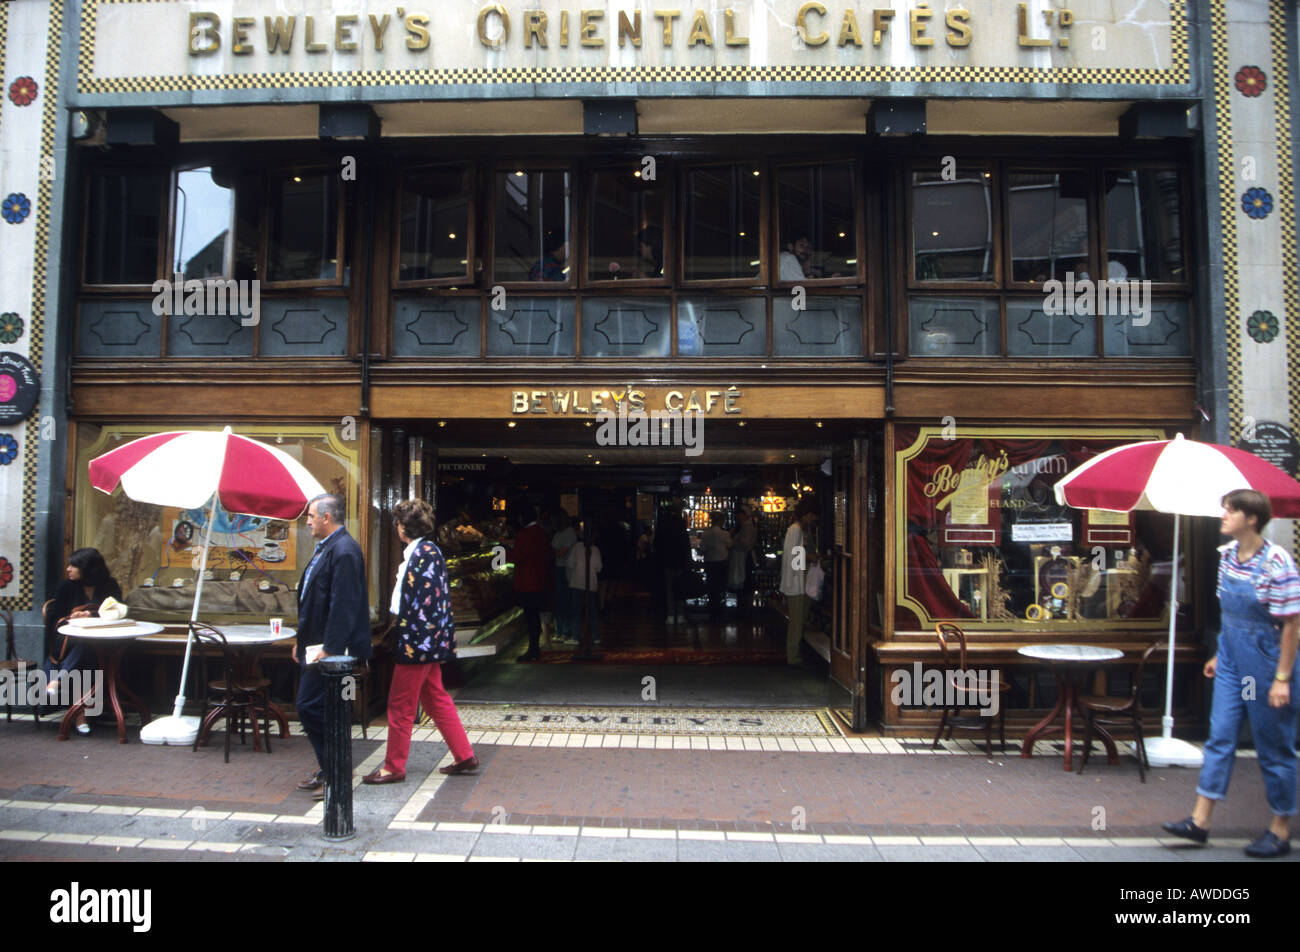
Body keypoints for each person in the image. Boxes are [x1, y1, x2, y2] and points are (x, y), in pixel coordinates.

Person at [1163, 489, 1300, 858]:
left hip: (1263, 665)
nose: (1223, 516)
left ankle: (1280, 828)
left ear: (1251, 519)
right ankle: (1200, 821)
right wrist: (1221, 653)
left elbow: (1291, 625)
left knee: (1272, 743)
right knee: (1220, 736)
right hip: (1233, 662)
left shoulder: (1277, 562)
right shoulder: (1227, 559)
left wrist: (1283, 678)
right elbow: (1231, 616)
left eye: (1230, 511)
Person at [364, 499, 476, 784]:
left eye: (397, 523)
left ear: (402, 528)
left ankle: (393, 767)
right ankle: (464, 754)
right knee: (436, 698)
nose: (397, 527)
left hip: (416, 645)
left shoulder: (418, 554)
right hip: (430, 643)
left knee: (400, 706)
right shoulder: (431, 551)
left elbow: (404, 605)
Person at [293, 493, 371, 800]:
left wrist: (331, 649)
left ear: (327, 518)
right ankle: (331, 770)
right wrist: (301, 642)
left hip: (333, 652)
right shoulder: (327, 548)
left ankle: (337, 772)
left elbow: (344, 605)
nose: (308, 522)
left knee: (310, 707)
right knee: (322, 708)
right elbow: (313, 600)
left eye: (311, 516)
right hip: (316, 646)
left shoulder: (345, 551)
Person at [42, 548, 122, 735]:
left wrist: (92, 614)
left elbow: (118, 610)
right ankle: (80, 716)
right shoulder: (67, 587)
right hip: (69, 642)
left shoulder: (109, 585)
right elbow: (54, 619)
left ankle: (61, 686)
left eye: (73, 566)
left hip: (105, 641)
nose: (68, 569)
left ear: (87, 568)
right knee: (83, 646)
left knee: (86, 650)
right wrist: (71, 617)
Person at [508, 502, 550, 662]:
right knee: (535, 617)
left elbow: (518, 556)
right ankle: (534, 649)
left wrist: (502, 550)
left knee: (531, 618)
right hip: (539, 581)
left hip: (527, 583)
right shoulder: (540, 532)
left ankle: (533, 649)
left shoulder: (525, 534)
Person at [780, 498, 819, 665]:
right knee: (796, 621)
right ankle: (792, 655)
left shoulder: (797, 530)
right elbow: (794, 557)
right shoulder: (795, 530)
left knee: (798, 620)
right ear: (805, 515)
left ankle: (795, 653)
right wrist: (809, 557)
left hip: (797, 580)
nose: (812, 520)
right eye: (811, 516)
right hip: (795, 581)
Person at [567, 521, 603, 654]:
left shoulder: (576, 547)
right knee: (592, 611)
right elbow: (599, 568)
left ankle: (576, 636)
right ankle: (596, 636)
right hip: (591, 585)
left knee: (576, 611)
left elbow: (570, 564)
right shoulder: (596, 549)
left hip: (577, 583)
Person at [655, 499, 692, 626]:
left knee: (669, 589)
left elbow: (658, 544)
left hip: (667, 561)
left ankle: (670, 615)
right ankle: (680, 614)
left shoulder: (663, 523)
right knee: (680, 588)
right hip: (680, 561)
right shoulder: (681, 523)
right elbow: (685, 544)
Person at [550, 509, 577, 642]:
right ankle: (559, 630)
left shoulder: (569, 532)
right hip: (557, 568)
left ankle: (567, 631)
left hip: (565, 570)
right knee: (558, 602)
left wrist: (550, 550)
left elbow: (561, 553)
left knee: (565, 601)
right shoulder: (558, 533)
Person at [700, 512, 732, 619]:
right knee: (720, 586)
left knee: (711, 586)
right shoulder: (724, 534)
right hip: (721, 562)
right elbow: (730, 545)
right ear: (720, 521)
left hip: (710, 562)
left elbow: (703, 548)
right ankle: (719, 610)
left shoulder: (706, 533)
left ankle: (712, 610)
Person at [729, 506, 758, 618]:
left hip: (744, 558)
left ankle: (745, 611)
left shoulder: (747, 526)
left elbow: (745, 544)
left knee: (745, 584)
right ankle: (746, 610)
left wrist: (733, 542)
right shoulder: (747, 525)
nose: (738, 518)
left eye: (739, 515)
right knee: (746, 584)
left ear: (745, 515)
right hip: (745, 558)